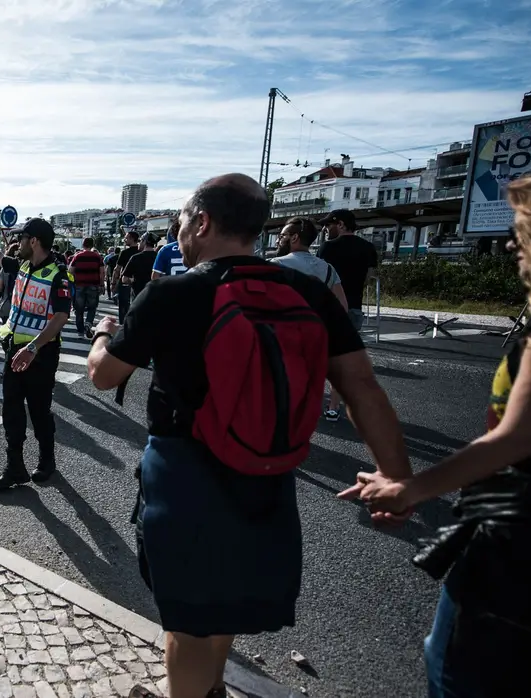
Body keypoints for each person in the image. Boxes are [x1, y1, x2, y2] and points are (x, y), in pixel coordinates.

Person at [86, 173, 411, 698]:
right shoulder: (307, 291)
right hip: (268, 471)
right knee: (226, 596)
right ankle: (211, 688)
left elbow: (105, 375)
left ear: (202, 221)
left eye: (182, 222)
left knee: (189, 618)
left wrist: (102, 334)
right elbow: (362, 388)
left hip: (184, 473)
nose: (180, 233)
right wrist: (398, 476)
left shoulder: (172, 292)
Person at [340, 168, 531, 698]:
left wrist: (406, 488)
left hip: (524, 551)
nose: (509, 241)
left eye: (525, 228)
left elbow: (518, 438)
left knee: (459, 673)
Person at [0, 218, 71, 488]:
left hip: (40, 353)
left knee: (40, 411)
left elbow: (61, 316)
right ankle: (15, 466)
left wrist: (32, 348)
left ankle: (46, 460)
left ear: (35, 241)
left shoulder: (59, 274)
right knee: (12, 409)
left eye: (23, 238)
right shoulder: (23, 265)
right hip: (14, 348)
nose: (17, 244)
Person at [316, 209, 378, 420]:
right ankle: (334, 406)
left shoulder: (328, 248)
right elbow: (370, 277)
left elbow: (320, 276)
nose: (325, 229)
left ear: (340, 224)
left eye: (328, 225)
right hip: (353, 309)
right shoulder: (368, 248)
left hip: (326, 308)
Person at [271, 216, 348, 311]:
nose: (277, 241)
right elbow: (343, 307)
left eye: (282, 236)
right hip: (317, 323)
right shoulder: (328, 269)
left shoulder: (276, 264)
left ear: (294, 237)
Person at [69, 237, 105, 337]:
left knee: (79, 309)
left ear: (83, 245)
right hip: (93, 285)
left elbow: (70, 271)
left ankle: (80, 331)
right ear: (92, 245)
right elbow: (102, 272)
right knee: (92, 307)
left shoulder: (77, 256)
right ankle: (88, 324)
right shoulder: (98, 257)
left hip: (79, 285)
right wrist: (101, 284)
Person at [120, 232, 160, 305]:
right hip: (155, 296)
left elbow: (124, 279)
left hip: (138, 296)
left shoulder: (135, 258)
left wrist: (132, 281)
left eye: (140, 241)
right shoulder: (159, 257)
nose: (139, 243)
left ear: (144, 242)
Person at [112, 231, 140, 314]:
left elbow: (117, 269)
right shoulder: (141, 252)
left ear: (132, 239)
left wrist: (113, 283)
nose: (124, 240)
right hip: (138, 282)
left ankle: (123, 324)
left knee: (123, 306)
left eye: (126, 238)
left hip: (125, 281)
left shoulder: (124, 253)